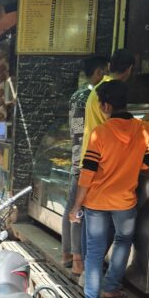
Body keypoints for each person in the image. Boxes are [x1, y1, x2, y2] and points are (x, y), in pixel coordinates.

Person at [70, 79, 149, 298]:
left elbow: (87, 173)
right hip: (126, 201)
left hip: (96, 202)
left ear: (106, 106)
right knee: (123, 242)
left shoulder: (100, 133)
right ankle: (110, 287)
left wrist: (76, 205)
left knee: (95, 252)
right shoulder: (146, 129)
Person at [62, 55, 108, 276]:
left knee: (71, 207)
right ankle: (78, 260)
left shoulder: (75, 96)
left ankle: (67, 254)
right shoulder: (94, 96)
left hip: (75, 155)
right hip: (87, 158)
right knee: (78, 210)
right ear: (99, 71)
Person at [80, 50, 149, 162]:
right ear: (130, 69)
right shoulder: (110, 91)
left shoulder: (102, 87)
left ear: (110, 66)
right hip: (101, 161)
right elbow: (123, 131)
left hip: (95, 158)